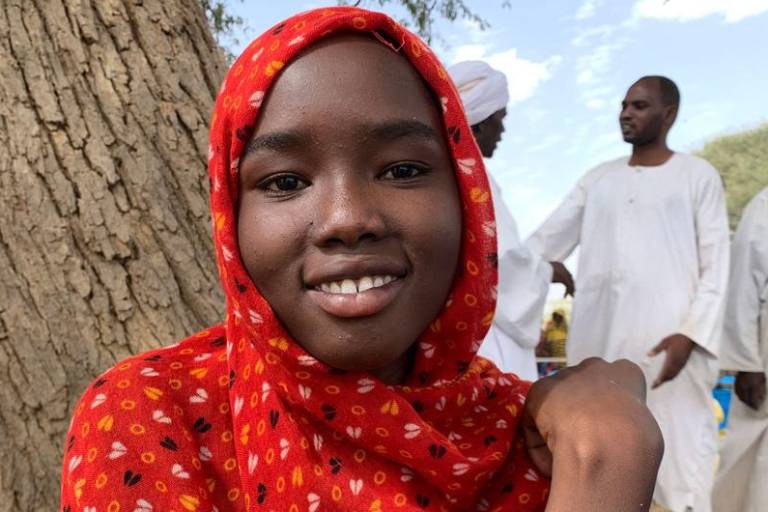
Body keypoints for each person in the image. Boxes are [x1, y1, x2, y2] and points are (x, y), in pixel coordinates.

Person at [59, 8, 663, 511]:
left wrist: (599, 440)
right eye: (286, 182)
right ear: (229, 216)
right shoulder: (152, 417)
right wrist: (608, 468)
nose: (348, 219)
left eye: (402, 170)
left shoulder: (533, 435)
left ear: (467, 200)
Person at [527, 75, 730, 511]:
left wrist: (691, 334)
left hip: (670, 353)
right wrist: (545, 266)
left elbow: (717, 263)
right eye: (623, 105)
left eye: (639, 106)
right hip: (598, 352)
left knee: (680, 464)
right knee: (598, 461)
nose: (625, 113)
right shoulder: (598, 179)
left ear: (668, 114)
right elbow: (540, 246)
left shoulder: (697, 176)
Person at [446, 61, 557, 380]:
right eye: (501, 119)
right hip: (488, 340)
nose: (503, 131)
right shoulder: (473, 178)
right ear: (481, 123)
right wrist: (548, 270)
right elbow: (499, 262)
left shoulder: (443, 173)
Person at [712, 187, 768, 512]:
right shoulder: (764, 203)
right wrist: (746, 362)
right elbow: (744, 280)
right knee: (753, 451)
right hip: (763, 348)